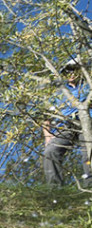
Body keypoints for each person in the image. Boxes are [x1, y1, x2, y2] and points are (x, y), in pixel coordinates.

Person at [44, 58, 91, 186]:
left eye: (74, 70)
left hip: (87, 122)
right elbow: (45, 116)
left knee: (89, 153)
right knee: (50, 151)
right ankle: (55, 189)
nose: (71, 73)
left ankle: (90, 186)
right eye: (68, 71)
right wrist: (48, 136)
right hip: (66, 125)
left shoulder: (88, 86)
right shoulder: (59, 92)